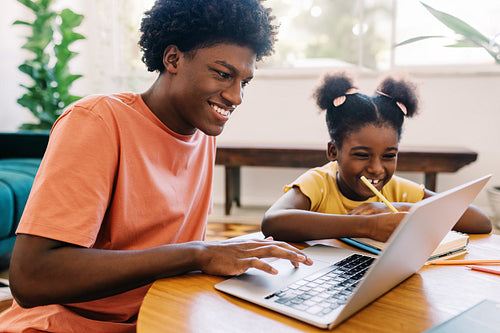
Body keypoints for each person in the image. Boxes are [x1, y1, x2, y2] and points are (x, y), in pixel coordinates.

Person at [0, 0, 312, 331]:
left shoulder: (202, 133)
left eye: (244, 82)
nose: (236, 97)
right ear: (173, 58)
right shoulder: (97, 122)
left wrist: (218, 256)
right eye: (223, 74)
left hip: (163, 316)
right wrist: (198, 254)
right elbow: (31, 277)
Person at [261, 72, 492, 242]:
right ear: (333, 152)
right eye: (362, 155)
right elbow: (273, 222)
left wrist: (405, 209)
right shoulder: (319, 184)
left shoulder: (397, 191)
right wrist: (366, 226)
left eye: (389, 155)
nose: (376, 169)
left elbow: (481, 222)